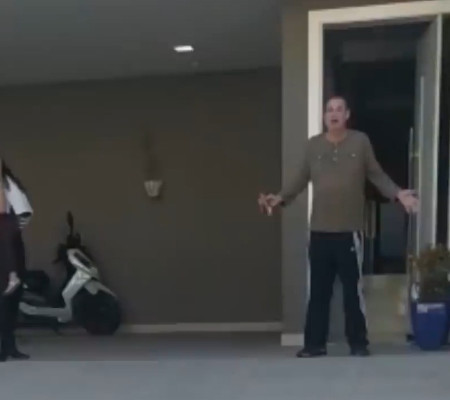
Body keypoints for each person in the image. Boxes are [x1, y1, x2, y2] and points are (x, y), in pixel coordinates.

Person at [258, 96, 418, 357]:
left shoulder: (360, 142)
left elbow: (376, 174)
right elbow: (300, 179)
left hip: (349, 231)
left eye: (338, 109)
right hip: (319, 230)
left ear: (347, 115)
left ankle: (358, 343)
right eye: (329, 110)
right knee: (318, 291)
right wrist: (279, 198)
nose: (333, 114)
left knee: (352, 292)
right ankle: (314, 344)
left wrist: (398, 194)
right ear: (325, 116)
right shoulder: (313, 146)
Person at [0, 161, 32, 361]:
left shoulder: (9, 181)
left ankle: (9, 345)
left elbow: (22, 210)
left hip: (12, 237)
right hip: (4, 237)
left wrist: (16, 226)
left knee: (13, 297)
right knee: (4, 298)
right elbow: (2, 209)